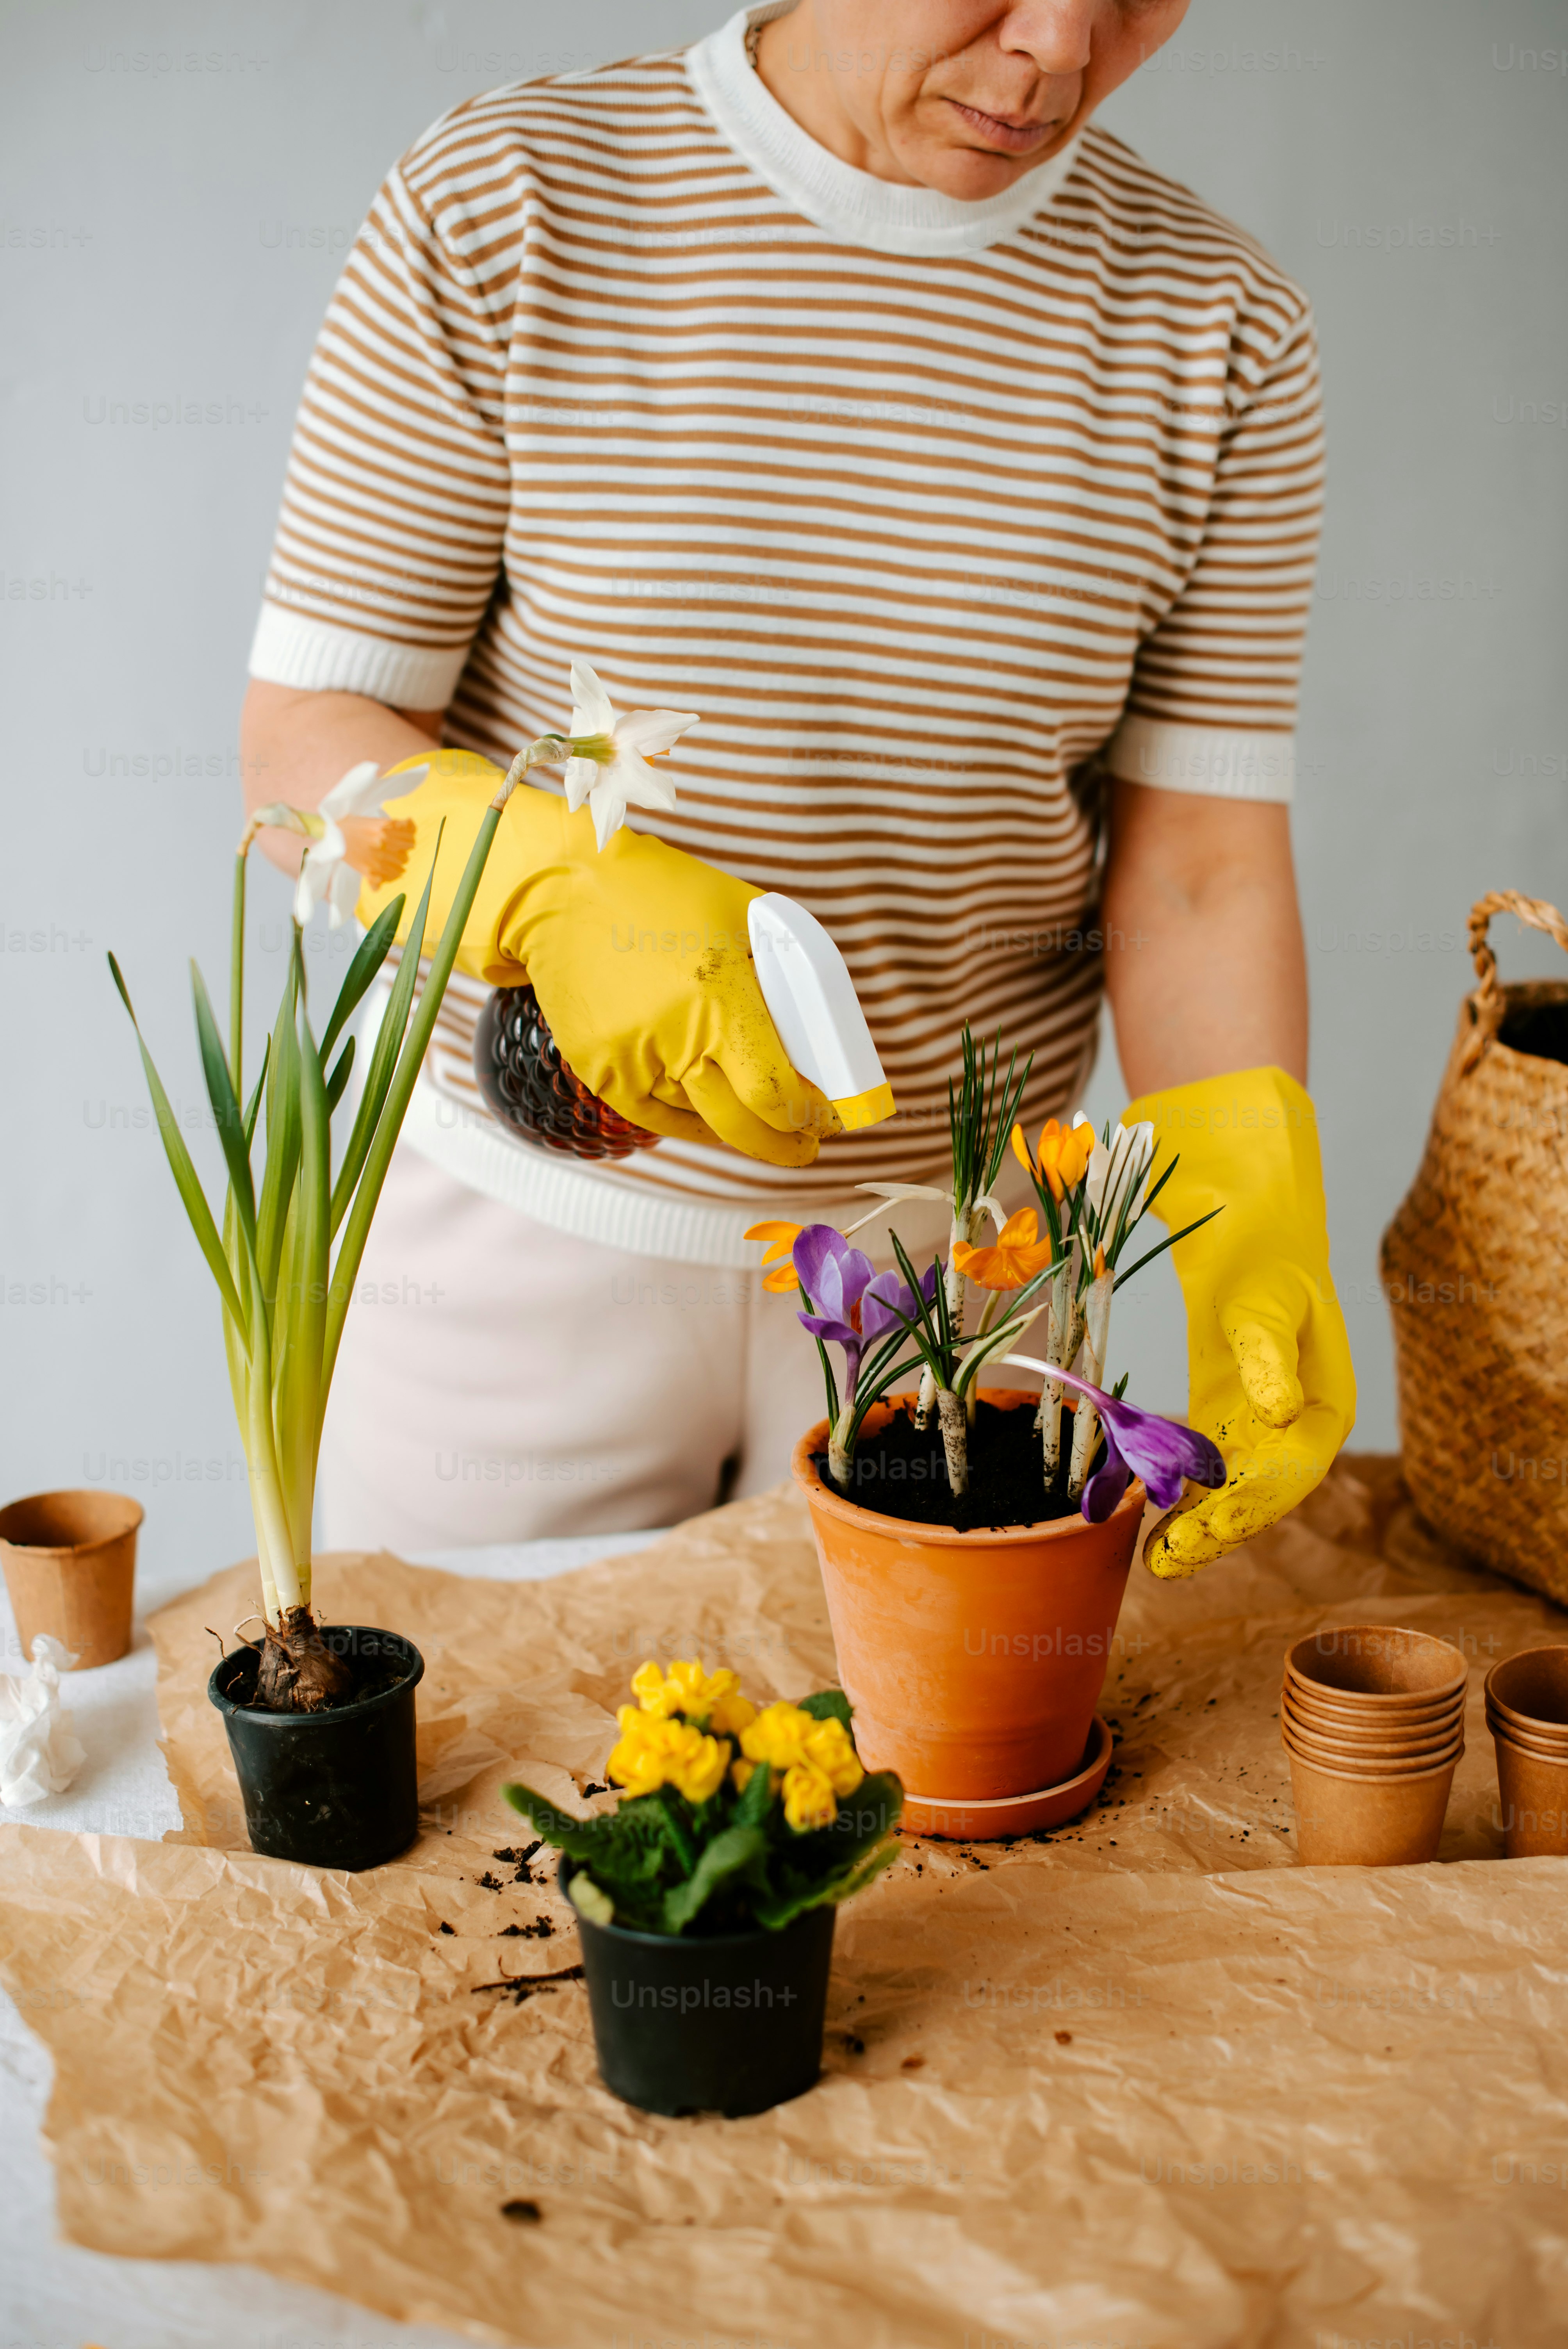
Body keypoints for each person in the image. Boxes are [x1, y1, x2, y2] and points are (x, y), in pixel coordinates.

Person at [241, 0, 1355, 1567]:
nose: (1056, 47)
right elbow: (302, 736)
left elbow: (1195, 868)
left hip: (959, 1283)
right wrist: (535, 881)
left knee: (935, 1799)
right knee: (471, 1780)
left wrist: (1248, 1205)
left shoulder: (1218, 323)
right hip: (512, 1251)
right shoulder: (509, 202)